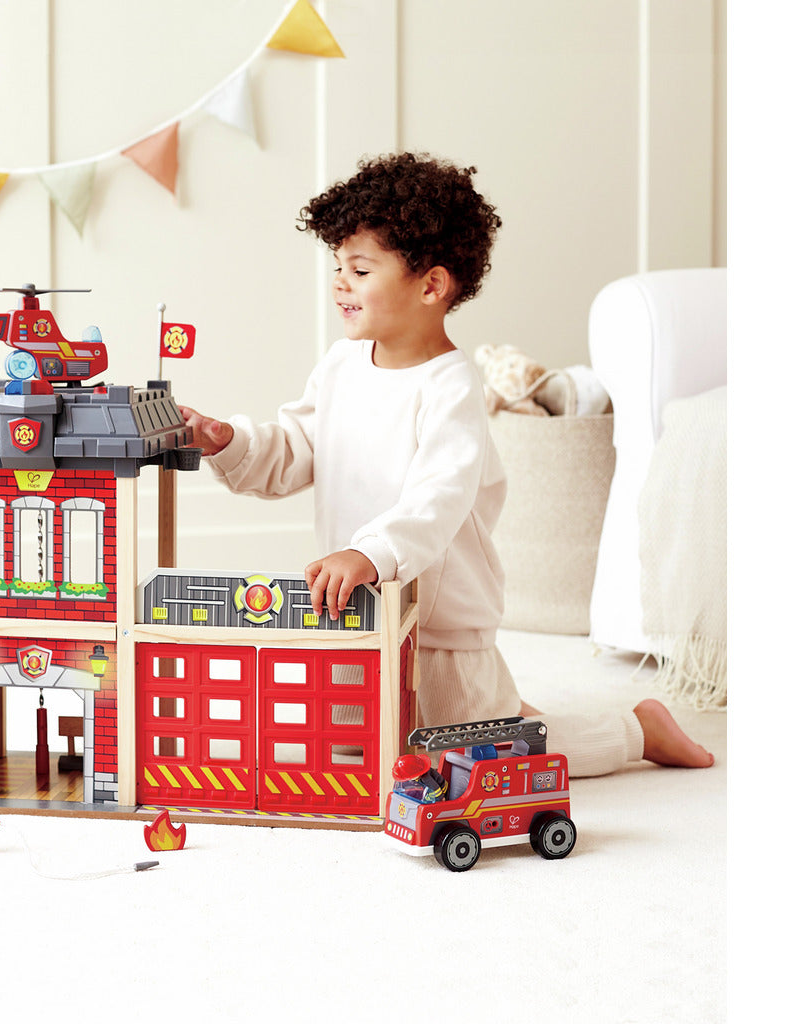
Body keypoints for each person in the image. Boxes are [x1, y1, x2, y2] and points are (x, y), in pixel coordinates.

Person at [180, 152, 713, 776]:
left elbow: (436, 499)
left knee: (476, 761)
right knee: (351, 748)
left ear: (431, 287)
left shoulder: (451, 386)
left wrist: (368, 553)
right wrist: (227, 441)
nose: (340, 284)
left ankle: (635, 730)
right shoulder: (341, 365)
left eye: (360, 269)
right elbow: (295, 448)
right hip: (359, 614)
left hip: (439, 626)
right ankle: (509, 709)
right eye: (338, 267)